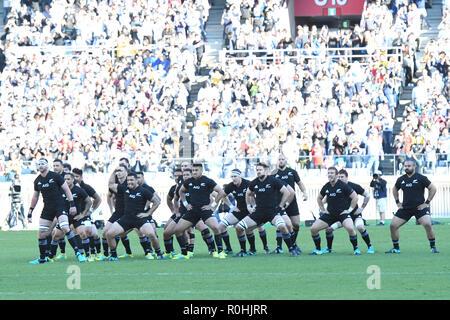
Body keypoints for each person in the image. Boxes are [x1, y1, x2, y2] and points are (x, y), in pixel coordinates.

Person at [27, 158, 86, 264]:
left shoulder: (56, 176)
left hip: (60, 206)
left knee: (65, 227)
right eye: (39, 164)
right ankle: (42, 258)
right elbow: (35, 197)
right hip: (47, 208)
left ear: (47, 166)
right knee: (41, 234)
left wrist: (72, 204)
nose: (40, 165)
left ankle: (78, 254)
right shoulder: (37, 180)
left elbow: (67, 189)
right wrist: (30, 211)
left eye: (43, 164)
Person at [236, 162, 299, 257]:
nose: (258, 172)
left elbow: (286, 192)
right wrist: (249, 206)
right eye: (257, 170)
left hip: (272, 213)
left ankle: (291, 249)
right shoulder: (254, 182)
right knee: (239, 227)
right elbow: (248, 193)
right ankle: (243, 251)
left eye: (260, 170)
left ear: (265, 171)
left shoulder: (273, 180)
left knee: (282, 226)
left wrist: (281, 205)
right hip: (258, 213)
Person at [173, 163, 228, 259]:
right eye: (193, 170)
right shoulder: (189, 182)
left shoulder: (207, 181)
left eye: (196, 170)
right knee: (177, 230)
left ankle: (220, 251)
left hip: (204, 210)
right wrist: (186, 204)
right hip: (192, 211)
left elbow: (221, 192)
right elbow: (181, 191)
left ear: (201, 171)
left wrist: (213, 206)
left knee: (216, 227)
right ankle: (184, 254)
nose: (194, 172)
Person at [105, 172, 164, 261]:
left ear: (137, 180)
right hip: (126, 219)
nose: (129, 182)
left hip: (139, 219)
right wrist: (114, 172)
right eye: (128, 180)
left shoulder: (143, 190)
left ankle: (159, 253)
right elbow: (111, 184)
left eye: (132, 180)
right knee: (109, 234)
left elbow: (157, 202)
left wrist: (148, 213)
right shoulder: (125, 189)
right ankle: (113, 255)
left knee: (151, 234)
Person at [386, 158, 438, 254]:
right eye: (405, 166)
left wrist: (426, 203)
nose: (407, 168)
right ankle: (396, 248)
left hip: (419, 208)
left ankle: (433, 247)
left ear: (414, 166)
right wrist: (397, 202)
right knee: (393, 225)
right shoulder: (401, 179)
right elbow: (394, 189)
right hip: (405, 208)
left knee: (427, 224)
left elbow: (433, 189)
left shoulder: (421, 178)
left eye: (409, 166)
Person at [218, 168, 270, 257]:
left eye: (235, 176)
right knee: (221, 226)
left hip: (251, 210)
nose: (233, 178)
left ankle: (264, 248)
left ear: (240, 176)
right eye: (232, 176)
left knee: (258, 227)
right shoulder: (230, 186)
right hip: (239, 211)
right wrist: (231, 206)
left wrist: (254, 207)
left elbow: (254, 196)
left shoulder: (248, 184)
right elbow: (222, 195)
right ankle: (229, 249)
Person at [310, 167, 360, 255]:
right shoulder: (326, 186)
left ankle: (356, 249)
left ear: (336, 175)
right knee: (313, 229)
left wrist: (349, 210)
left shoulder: (343, 185)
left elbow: (355, 197)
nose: (330, 174)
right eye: (328, 173)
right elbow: (319, 198)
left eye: (332, 173)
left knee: (350, 228)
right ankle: (318, 249)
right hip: (330, 214)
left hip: (342, 214)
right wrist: (322, 209)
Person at [323, 169, 374, 254]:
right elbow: (326, 198)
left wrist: (361, 208)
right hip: (342, 216)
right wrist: (322, 207)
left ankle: (370, 246)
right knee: (329, 229)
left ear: (347, 177)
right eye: (338, 177)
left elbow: (367, 196)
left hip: (354, 214)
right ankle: (329, 248)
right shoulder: (335, 186)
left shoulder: (354, 186)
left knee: (360, 227)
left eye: (342, 177)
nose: (340, 178)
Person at [49, 173, 93, 260]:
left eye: (68, 179)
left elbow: (89, 201)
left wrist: (83, 214)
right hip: (64, 217)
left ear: (73, 180)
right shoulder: (60, 190)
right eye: (64, 179)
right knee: (55, 236)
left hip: (76, 218)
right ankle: (51, 256)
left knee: (83, 234)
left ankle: (87, 255)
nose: (66, 181)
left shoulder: (79, 190)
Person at [271, 154, 308, 254]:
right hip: (279, 202)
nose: (281, 161)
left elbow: (300, 183)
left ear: (286, 160)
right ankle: (279, 247)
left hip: (292, 201)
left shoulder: (292, 172)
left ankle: (293, 243)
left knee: (296, 224)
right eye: (279, 159)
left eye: (283, 159)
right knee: (280, 224)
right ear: (277, 161)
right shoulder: (273, 173)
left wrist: (304, 193)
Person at [72, 168, 103, 260]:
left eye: (77, 176)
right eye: (73, 176)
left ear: (81, 177)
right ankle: (85, 253)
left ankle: (97, 253)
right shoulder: (69, 188)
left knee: (92, 233)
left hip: (85, 215)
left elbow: (98, 199)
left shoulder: (86, 187)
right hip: (74, 216)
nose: (75, 178)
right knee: (78, 233)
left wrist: (91, 210)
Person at [101, 164, 128, 260]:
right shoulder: (118, 185)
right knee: (104, 232)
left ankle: (150, 252)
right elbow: (110, 185)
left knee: (145, 232)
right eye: (118, 171)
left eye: (121, 170)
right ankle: (106, 255)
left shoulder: (129, 184)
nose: (119, 173)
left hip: (129, 213)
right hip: (118, 212)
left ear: (126, 172)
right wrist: (113, 171)